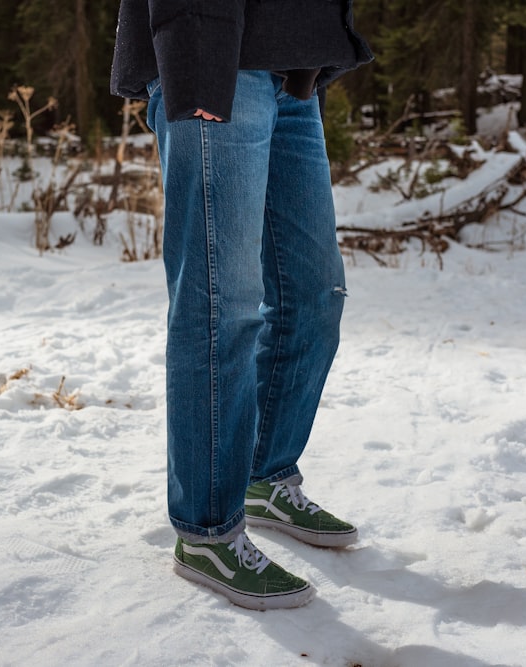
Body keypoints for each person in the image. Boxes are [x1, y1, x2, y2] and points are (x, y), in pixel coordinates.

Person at [111, 1, 373, 610]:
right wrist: (195, 62)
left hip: (292, 76)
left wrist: (316, 57)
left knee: (314, 294)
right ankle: (206, 530)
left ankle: (266, 475)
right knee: (219, 306)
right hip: (216, 62)